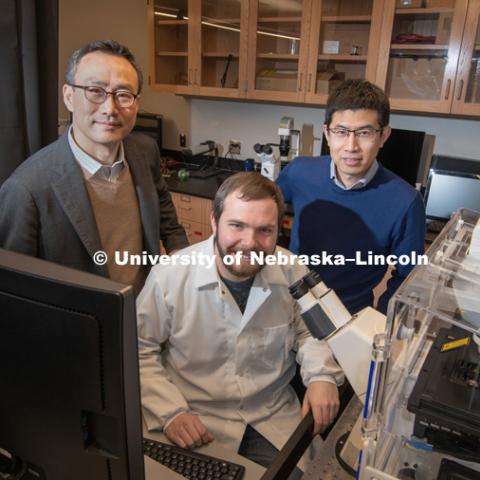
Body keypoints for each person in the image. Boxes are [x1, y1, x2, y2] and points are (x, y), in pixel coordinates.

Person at [137, 172, 343, 475]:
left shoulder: (290, 269)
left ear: (278, 231)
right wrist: (169, 412)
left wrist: (322, 376)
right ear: (214, 222)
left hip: (269, 417)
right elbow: (139, 349)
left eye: (264, 231)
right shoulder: (170, 276)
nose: (250, 243)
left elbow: (312, 331)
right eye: (237, 226)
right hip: (193, 418)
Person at [0, 40, 187, 294]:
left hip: (146, 310)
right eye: (95, 91)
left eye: (123, 95)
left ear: (137, 102)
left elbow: (163, 207)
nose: (110, 109)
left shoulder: (145, 151)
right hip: (81, 327)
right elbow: (14, 292)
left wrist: (179, 254)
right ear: (68, 96)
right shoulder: (25, 189)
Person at [277, 79, 425, 314]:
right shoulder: (299, 172)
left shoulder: (406, 202)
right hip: (286, 302)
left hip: (347, 318)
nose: (351, 146)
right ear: (327, 133)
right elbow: (262, 216)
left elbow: (408, 277)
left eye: (364, 133)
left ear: (383, 136)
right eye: (341, 132)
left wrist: (378, 320)